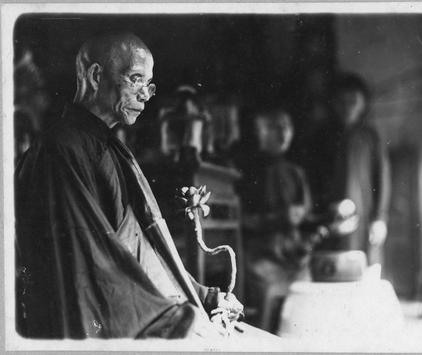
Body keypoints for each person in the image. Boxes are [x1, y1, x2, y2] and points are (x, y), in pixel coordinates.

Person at [15, 33, 245, 339]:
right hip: (113, 320)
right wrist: (177, 319)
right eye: (136, 79)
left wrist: (203, 294)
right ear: (97, 76)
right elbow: (93, 271)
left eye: (148, 85)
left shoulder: (111, 148)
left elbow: (139, 249)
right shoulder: (60, 150)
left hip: (142, 304)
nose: (146, 95)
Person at [236, 109, 318, 331]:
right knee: (267, 298)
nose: (283, 133)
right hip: (261, 258)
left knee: (307, 304)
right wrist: (279, 219)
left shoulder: (296, 173)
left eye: (287, 127)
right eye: (275, 127)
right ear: (261, 131)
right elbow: (241, 221)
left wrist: (326, 224)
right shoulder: (248, 173)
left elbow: (307, 220)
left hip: (293, 256)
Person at [324, 73, 391, 264]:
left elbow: (382, 178)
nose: (347, 108)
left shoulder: (371, 137)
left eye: (353, 101)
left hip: (365, 211)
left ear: (363, 104)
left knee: (365, 267)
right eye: (341, 102)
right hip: (334, 214)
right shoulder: (326, 137)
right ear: (334, 104)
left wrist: (380, 218)